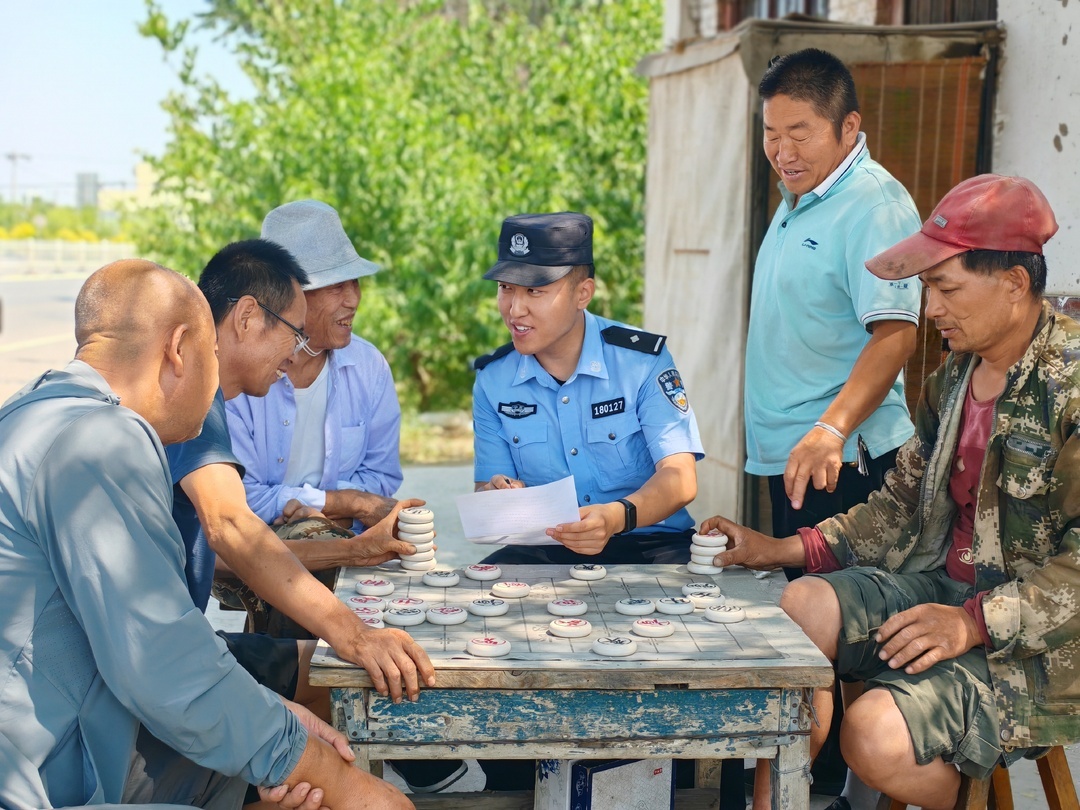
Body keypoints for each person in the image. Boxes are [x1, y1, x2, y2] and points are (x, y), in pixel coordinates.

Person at [707, 175, 1079, 810]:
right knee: (800, 610)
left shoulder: (1069, 387)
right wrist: (779, 549)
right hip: (939, 585)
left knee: (872, 734)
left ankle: (958, 794)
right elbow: (897, 507)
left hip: (1042, 642)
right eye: (928, 288)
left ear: (1014, 285)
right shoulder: (952, 380)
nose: (929, 309)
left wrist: (972, 623)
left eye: (945, 287)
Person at [0, 259, 413, 809]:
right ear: (178, 349)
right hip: (56, 770)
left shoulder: (31, 413)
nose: (216, 382)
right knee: (346, 789)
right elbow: (164, 662)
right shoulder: (103, 440)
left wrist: (262, 711)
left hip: (82, 714)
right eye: (211, 358)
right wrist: (328, 772)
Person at [738, 48, 923, 809]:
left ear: (850, 126)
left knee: (845, 639)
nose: (783, 149)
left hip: (845, 460)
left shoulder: (874, 205)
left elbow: (896, 332)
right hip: (796, 456)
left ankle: (848, 786)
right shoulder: (803, 192)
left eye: (801, 131)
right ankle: (811, 782)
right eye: (772, 131)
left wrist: (829, 427)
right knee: (805, 633)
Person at [472, 211, 704, 567]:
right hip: (545, 547)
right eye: (506, 289)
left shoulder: (640, 362)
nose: (515, 310)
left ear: (583, 293)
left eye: (535, 290)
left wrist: (614, 517)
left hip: (648, 541)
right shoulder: (493, 380)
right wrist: (497, 492)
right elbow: (487, 487)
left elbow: (681, 477)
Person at [227, 199, 403, 537]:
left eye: (355, 283)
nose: (353, 299)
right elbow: (241, 499)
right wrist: (349, 502)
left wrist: (326, 509)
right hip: (254, 548)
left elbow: (382, 478)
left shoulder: (369, 367)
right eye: (337, 286)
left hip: (346, 535)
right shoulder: (238, 376)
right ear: (292, 296)